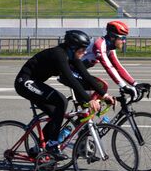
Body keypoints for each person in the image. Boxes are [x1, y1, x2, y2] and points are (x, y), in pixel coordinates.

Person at [14, 30, 113, 160]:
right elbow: (70, 79)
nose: (84, 52)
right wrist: (89, 100)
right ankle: (53, 145)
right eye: (82, 49)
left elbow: (86, 76)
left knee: (57, 114)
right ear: (73, 47)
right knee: (61, 101)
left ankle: (38, 148)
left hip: (35, 82)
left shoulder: (72, 56)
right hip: (25, 82)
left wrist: (104, 94)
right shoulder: (59, 54)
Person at [60, 20, 150, 101]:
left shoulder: (110, 48)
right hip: (68, 73)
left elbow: (118, 67)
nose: (124, 41)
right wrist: (124, 86)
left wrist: (135, 84)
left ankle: (86, 114)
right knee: (102, 86)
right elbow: (108, 67)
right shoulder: (99, 44)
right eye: (122, 38)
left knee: (98, 94)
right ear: (112, 37)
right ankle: (86, 115)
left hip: (78, 73)